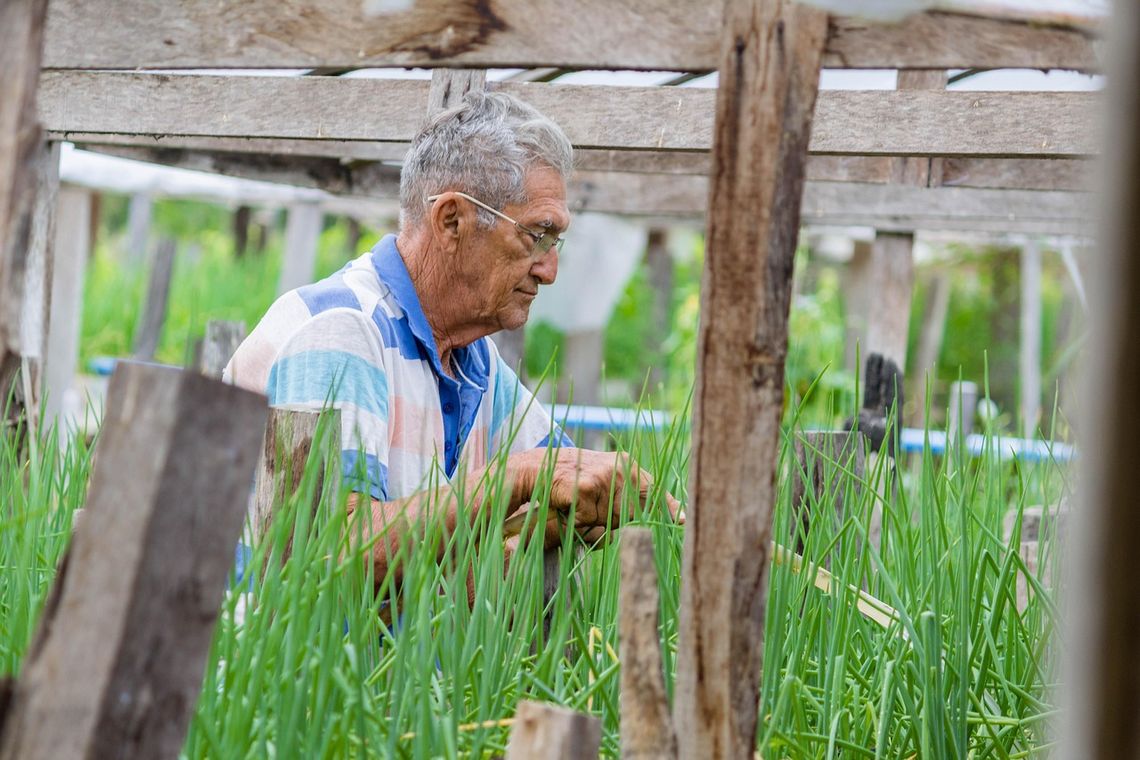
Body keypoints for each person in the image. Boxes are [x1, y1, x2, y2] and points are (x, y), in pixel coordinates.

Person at [225, 91, 680, 590]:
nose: (549, 270)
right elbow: (323, 557)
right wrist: (516, 477)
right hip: (290, 668)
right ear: (452, 221)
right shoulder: (342, 330)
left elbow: (560, 474)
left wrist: (594, 497)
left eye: (555, 241)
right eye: (536, 236)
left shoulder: (472, 360)